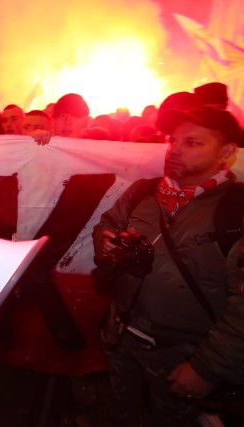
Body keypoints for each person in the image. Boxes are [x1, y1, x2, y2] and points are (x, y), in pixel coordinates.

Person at [93, 106, 244, 426]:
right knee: (120, 408)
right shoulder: (143, 191)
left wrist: (208, 367)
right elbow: (107, 224)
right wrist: (106, 241)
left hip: (186, 353)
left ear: (227, 152)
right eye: (171, 140)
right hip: (121, 333)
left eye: (192, 143)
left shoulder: (236, 211)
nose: (174, 150)